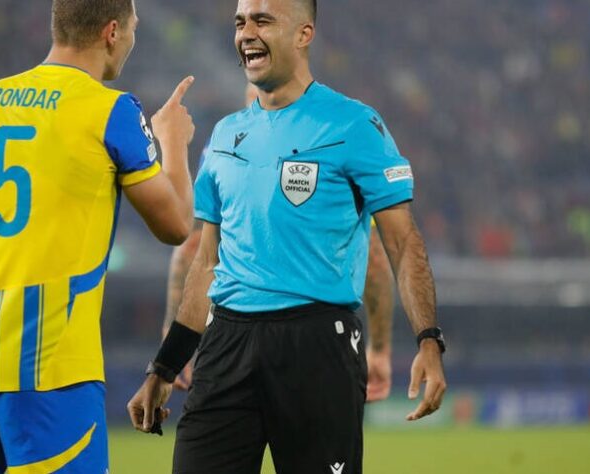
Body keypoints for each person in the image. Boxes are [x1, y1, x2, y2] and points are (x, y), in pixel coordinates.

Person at [128, 1, 447, 473]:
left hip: (317, 345)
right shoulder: (225, 136)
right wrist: (164, 366)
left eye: (263, 20)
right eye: (240, 22)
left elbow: (401, 245)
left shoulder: (354, 125)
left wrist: (428, 340)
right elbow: (206, 263)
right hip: (226, 345)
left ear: (303, 34)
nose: (246, 33)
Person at [0, 0, 196, 472]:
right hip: (51, 364)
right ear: (112, 31)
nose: (132, 41)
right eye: (133, 29)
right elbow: (175, 226)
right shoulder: (109, 110)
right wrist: (171, 139)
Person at [163, 85, 396, 400]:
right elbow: (375, 260)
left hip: (232, 337)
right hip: (316, 335)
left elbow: (192, 248)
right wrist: (379, 349)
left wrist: (175, 336)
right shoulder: (331, 140)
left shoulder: (225, 144)